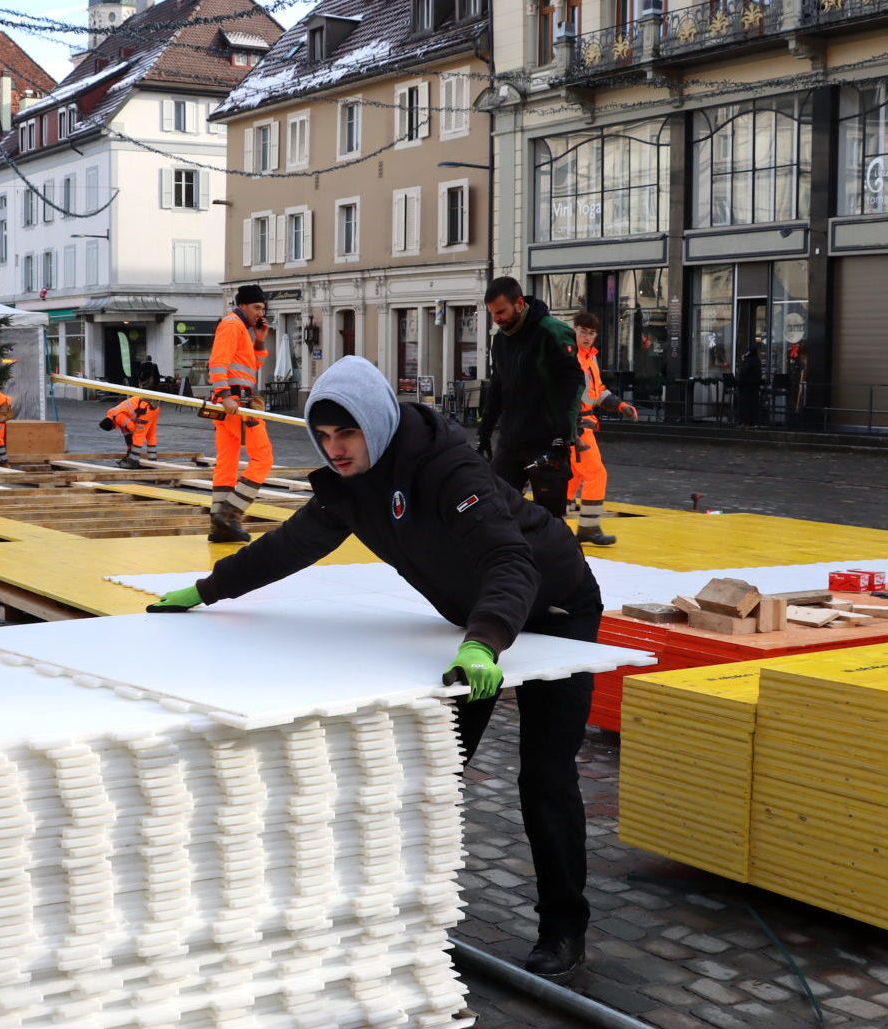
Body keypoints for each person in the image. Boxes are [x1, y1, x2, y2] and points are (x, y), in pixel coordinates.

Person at [148, 355, 603, 979]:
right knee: (436, 768)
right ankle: (411, 919)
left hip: (553, 610)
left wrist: (484, 642)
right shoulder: (349, 487)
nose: (336, 449)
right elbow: (291, 545)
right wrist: (208, 589)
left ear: (377, 423)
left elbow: (511, 561)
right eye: (325, 437)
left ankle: (563, 930)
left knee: (544, 777)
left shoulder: (447, 469)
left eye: (348, 434)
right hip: (478, 622)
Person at [476, 277, 584, 521]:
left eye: (501, 312)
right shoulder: (501, 340)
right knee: (496, 512)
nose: (497, 319)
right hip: (511, 440)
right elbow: (498, 387)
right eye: (492, 313)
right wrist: (484, 431)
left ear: (520, 303)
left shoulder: (551, 332)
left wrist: (562, 436)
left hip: (546, 440)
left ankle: (562, 559)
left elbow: (573, 383)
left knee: (550, 523)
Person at [205, 284, 275, 543]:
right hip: (236, 402)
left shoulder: (240, 329)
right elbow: (217, 362)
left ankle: (219, 526)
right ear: (243, 304)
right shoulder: (233, 325)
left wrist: (259, 340)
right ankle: (229, 516)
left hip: (231, 402)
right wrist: (224, 396)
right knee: (263, 457)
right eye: (256, 307)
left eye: (263, 309)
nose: (260, 313)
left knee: (227, 461)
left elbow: (250, 366)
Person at [568, 311, 639, 546]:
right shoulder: (572, 357)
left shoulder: (589, 358)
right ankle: (588, 527)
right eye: (583, 331)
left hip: (579, 424)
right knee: (596, 474)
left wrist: (620, 405)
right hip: (575, 425)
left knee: (572, 476)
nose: (587, 337)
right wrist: (575, 421)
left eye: (591, 333)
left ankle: (553, 522)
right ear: (574, 329)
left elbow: (597, 391)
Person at [100, 394, 160, 468]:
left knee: (138, 434)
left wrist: (137, 444)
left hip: (145, 409)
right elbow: (127, 436)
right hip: (153, 407)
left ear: (112, 425)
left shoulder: (118, 417)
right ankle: (152, 460)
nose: (115, 428)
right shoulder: (114, 414)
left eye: (113, 428)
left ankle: (133, 461)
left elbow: (132, 428)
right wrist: (128, 454)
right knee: (151, 434)